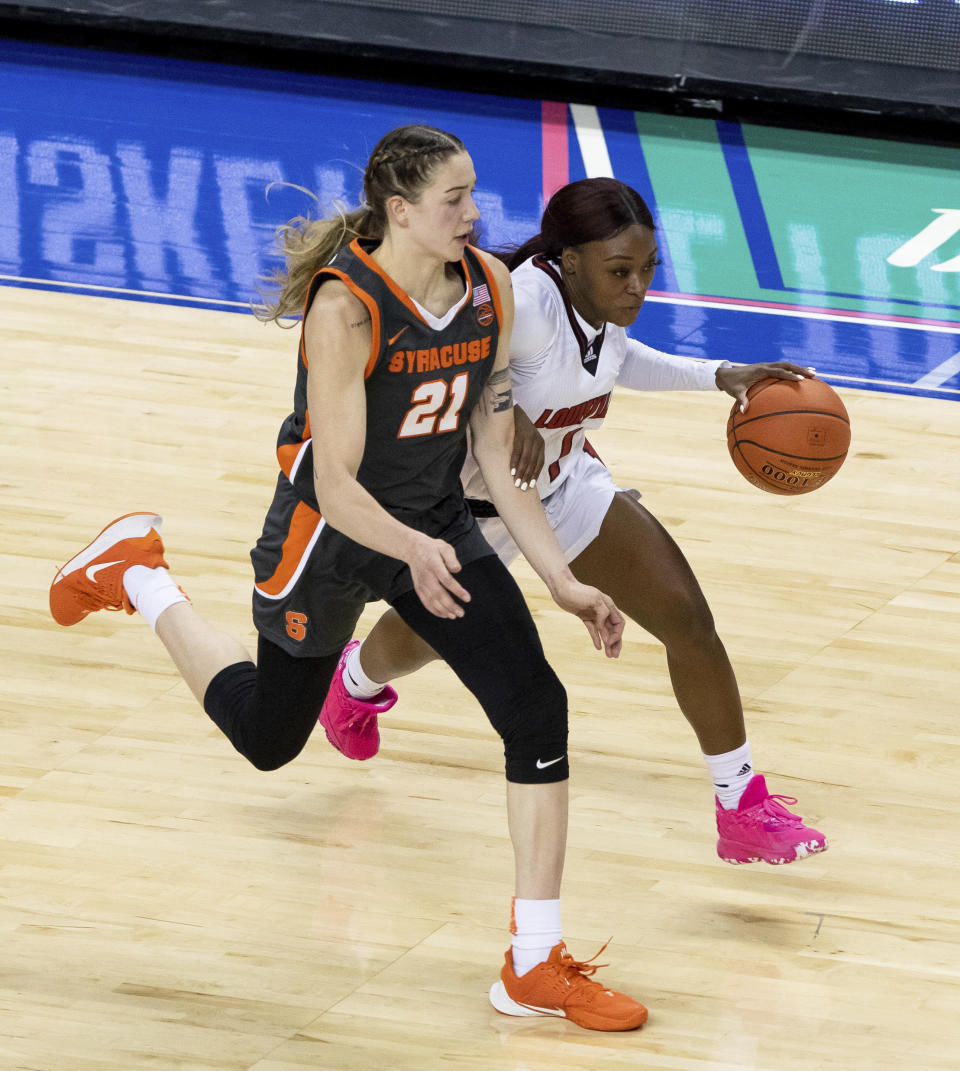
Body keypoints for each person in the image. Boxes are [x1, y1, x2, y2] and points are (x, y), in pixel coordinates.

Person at [48, 127, 650, 1032]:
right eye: (455, 200)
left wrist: (561, 580)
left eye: (474, 194)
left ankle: (533, 962)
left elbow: (493, 449)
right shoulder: (348, 308)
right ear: (401, 211)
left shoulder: (488, 287)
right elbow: (335, 485)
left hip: (435, 527)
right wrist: (411, 551)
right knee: (268, 739)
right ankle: (139, 575)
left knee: (536, 705)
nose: (475, 213)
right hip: (329, 540)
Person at [317, 176, 829, 868]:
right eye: (621, 271)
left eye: (649, 269)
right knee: (425, 638)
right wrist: (504, 413)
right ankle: (352, 684)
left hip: (562, 484)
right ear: (569, 259)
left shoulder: (601, 309)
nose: (638, 287)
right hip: (471, 508)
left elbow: (617, 361)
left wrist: (719, 374)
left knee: (688, 619)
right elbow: (434, 367)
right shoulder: (520, 301)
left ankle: (740, 805)